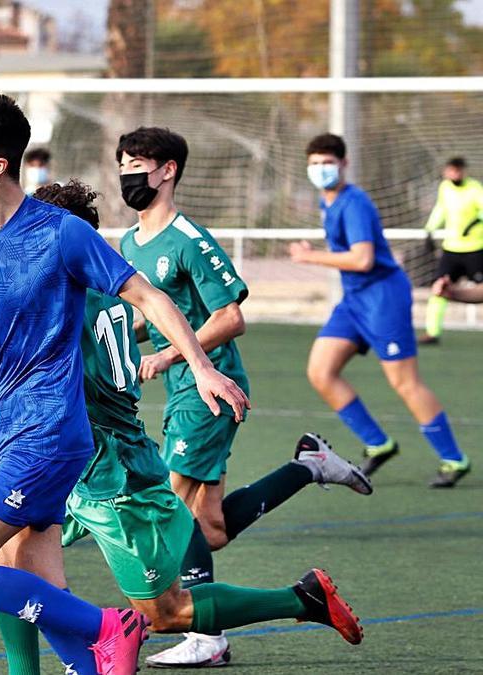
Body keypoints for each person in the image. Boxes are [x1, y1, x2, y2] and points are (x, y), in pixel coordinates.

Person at [0, 180, 365, 675]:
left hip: (108, 473)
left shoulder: (62, 298)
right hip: (77, 456)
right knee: (11, 560)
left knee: (164, 614)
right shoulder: (103, 291)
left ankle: (302, 599)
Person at [0, 94, 250, 675]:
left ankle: (110, 625)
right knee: (32, 574)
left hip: (51, 432)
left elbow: (146, 294)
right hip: (7, 429)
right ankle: (92, 662)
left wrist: (198, 363)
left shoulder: (62, 233)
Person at [114, 127, 372, 667]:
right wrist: (122, 340)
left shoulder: (188, 237)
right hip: (183, 388)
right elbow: (157, 318)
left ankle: (208, 638)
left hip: (211, 385)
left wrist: (166, 356)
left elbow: (230, 318)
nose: (127, 173)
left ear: (168, 171)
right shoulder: (131, 242)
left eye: (138, 163)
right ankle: (308, 467)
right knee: (209, 528)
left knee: (168, 505)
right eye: (122, 163)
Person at [290, 133, 470, 488]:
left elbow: (363, 258)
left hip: (383, 298)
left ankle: (453, 458)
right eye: (314, 163)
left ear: (344, 164)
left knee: (404, 382)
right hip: (355, 300)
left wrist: (309, 256)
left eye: (327, 163)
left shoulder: (355, 202)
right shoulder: (327, 199)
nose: (320, 169)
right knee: (321, 371)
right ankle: (378, 443)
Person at [420, 157, 483, 345]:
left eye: (457, 170)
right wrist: (429, 230)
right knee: (439, 288)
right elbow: (440, 209)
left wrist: (474, 223)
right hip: (451, 250)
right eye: (451, 170)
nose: (454, 174)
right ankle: (432, 332)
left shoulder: (474, 189)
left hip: (475, 249)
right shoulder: (445, 188)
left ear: (463, 171)